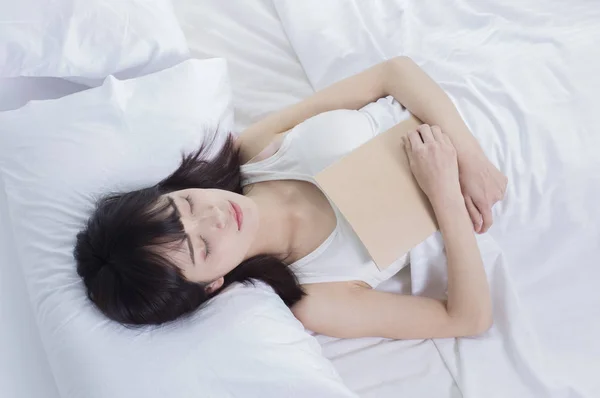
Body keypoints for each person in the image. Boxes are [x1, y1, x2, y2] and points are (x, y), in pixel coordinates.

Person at [74, 56, 507, 339]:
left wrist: (470, 156)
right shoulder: (315, 298)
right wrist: (445, 193)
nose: (214, 216)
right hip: (505, 185)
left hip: (467, 92)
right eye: (201, 247)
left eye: (183, 204)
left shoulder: (255, 150)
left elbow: (391, 74)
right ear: (211, 285)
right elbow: (467, 318)